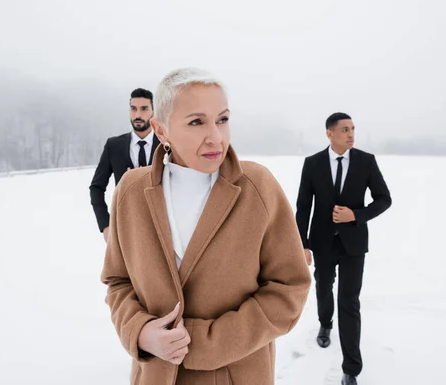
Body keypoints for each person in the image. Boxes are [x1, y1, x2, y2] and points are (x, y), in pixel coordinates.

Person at [100, 68, 311, 384]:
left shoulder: (258, 187)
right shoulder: (130, 192)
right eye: (197, 122)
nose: (216, 137)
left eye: (222, 120)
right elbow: (118, 281)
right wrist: (140, 332)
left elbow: (289, 288)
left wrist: (208, 343)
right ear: (161, 129)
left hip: (238, 375)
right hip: (155, 375)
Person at [295, 112, 392, 385]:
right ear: (330, 133)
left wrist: (356, 215)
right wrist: (302, 244)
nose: (351, 134)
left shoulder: (366, 161)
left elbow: (384, 199)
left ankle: (351, 370)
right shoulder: (312, 164)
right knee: (323, 287)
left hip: (354, 244)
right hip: (322, 242)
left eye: (353, 129)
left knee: (349, 302)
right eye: (345, 129)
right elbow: (304, 207)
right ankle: (325, 323)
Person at [89, 88, 160, 242]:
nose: (138, 115)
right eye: (133, 109)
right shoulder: (113, 146)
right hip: (124, 231)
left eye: (144, 109)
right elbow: (96, 187)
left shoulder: (167, 145)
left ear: (153, 112)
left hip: (161, 230)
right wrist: (105, 225)